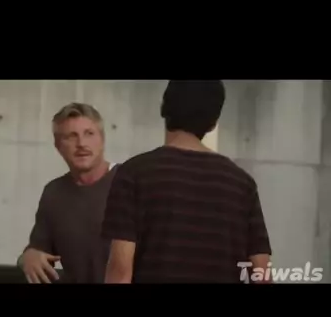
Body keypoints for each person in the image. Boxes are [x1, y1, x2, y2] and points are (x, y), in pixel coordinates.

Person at [102, 80, 272, 284]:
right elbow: (261, 273)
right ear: (213, 122)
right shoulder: (242, 184)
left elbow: (120, 272)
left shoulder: (133, 174)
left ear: (164, 108)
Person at [19, 103, 118, 283]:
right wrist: (28, 256)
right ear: (58, 145)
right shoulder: (54, 193)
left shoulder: (130, 182)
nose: (81, 144)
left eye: (89, 133)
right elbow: (38, 250)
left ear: (102, 139)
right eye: (71, 136)